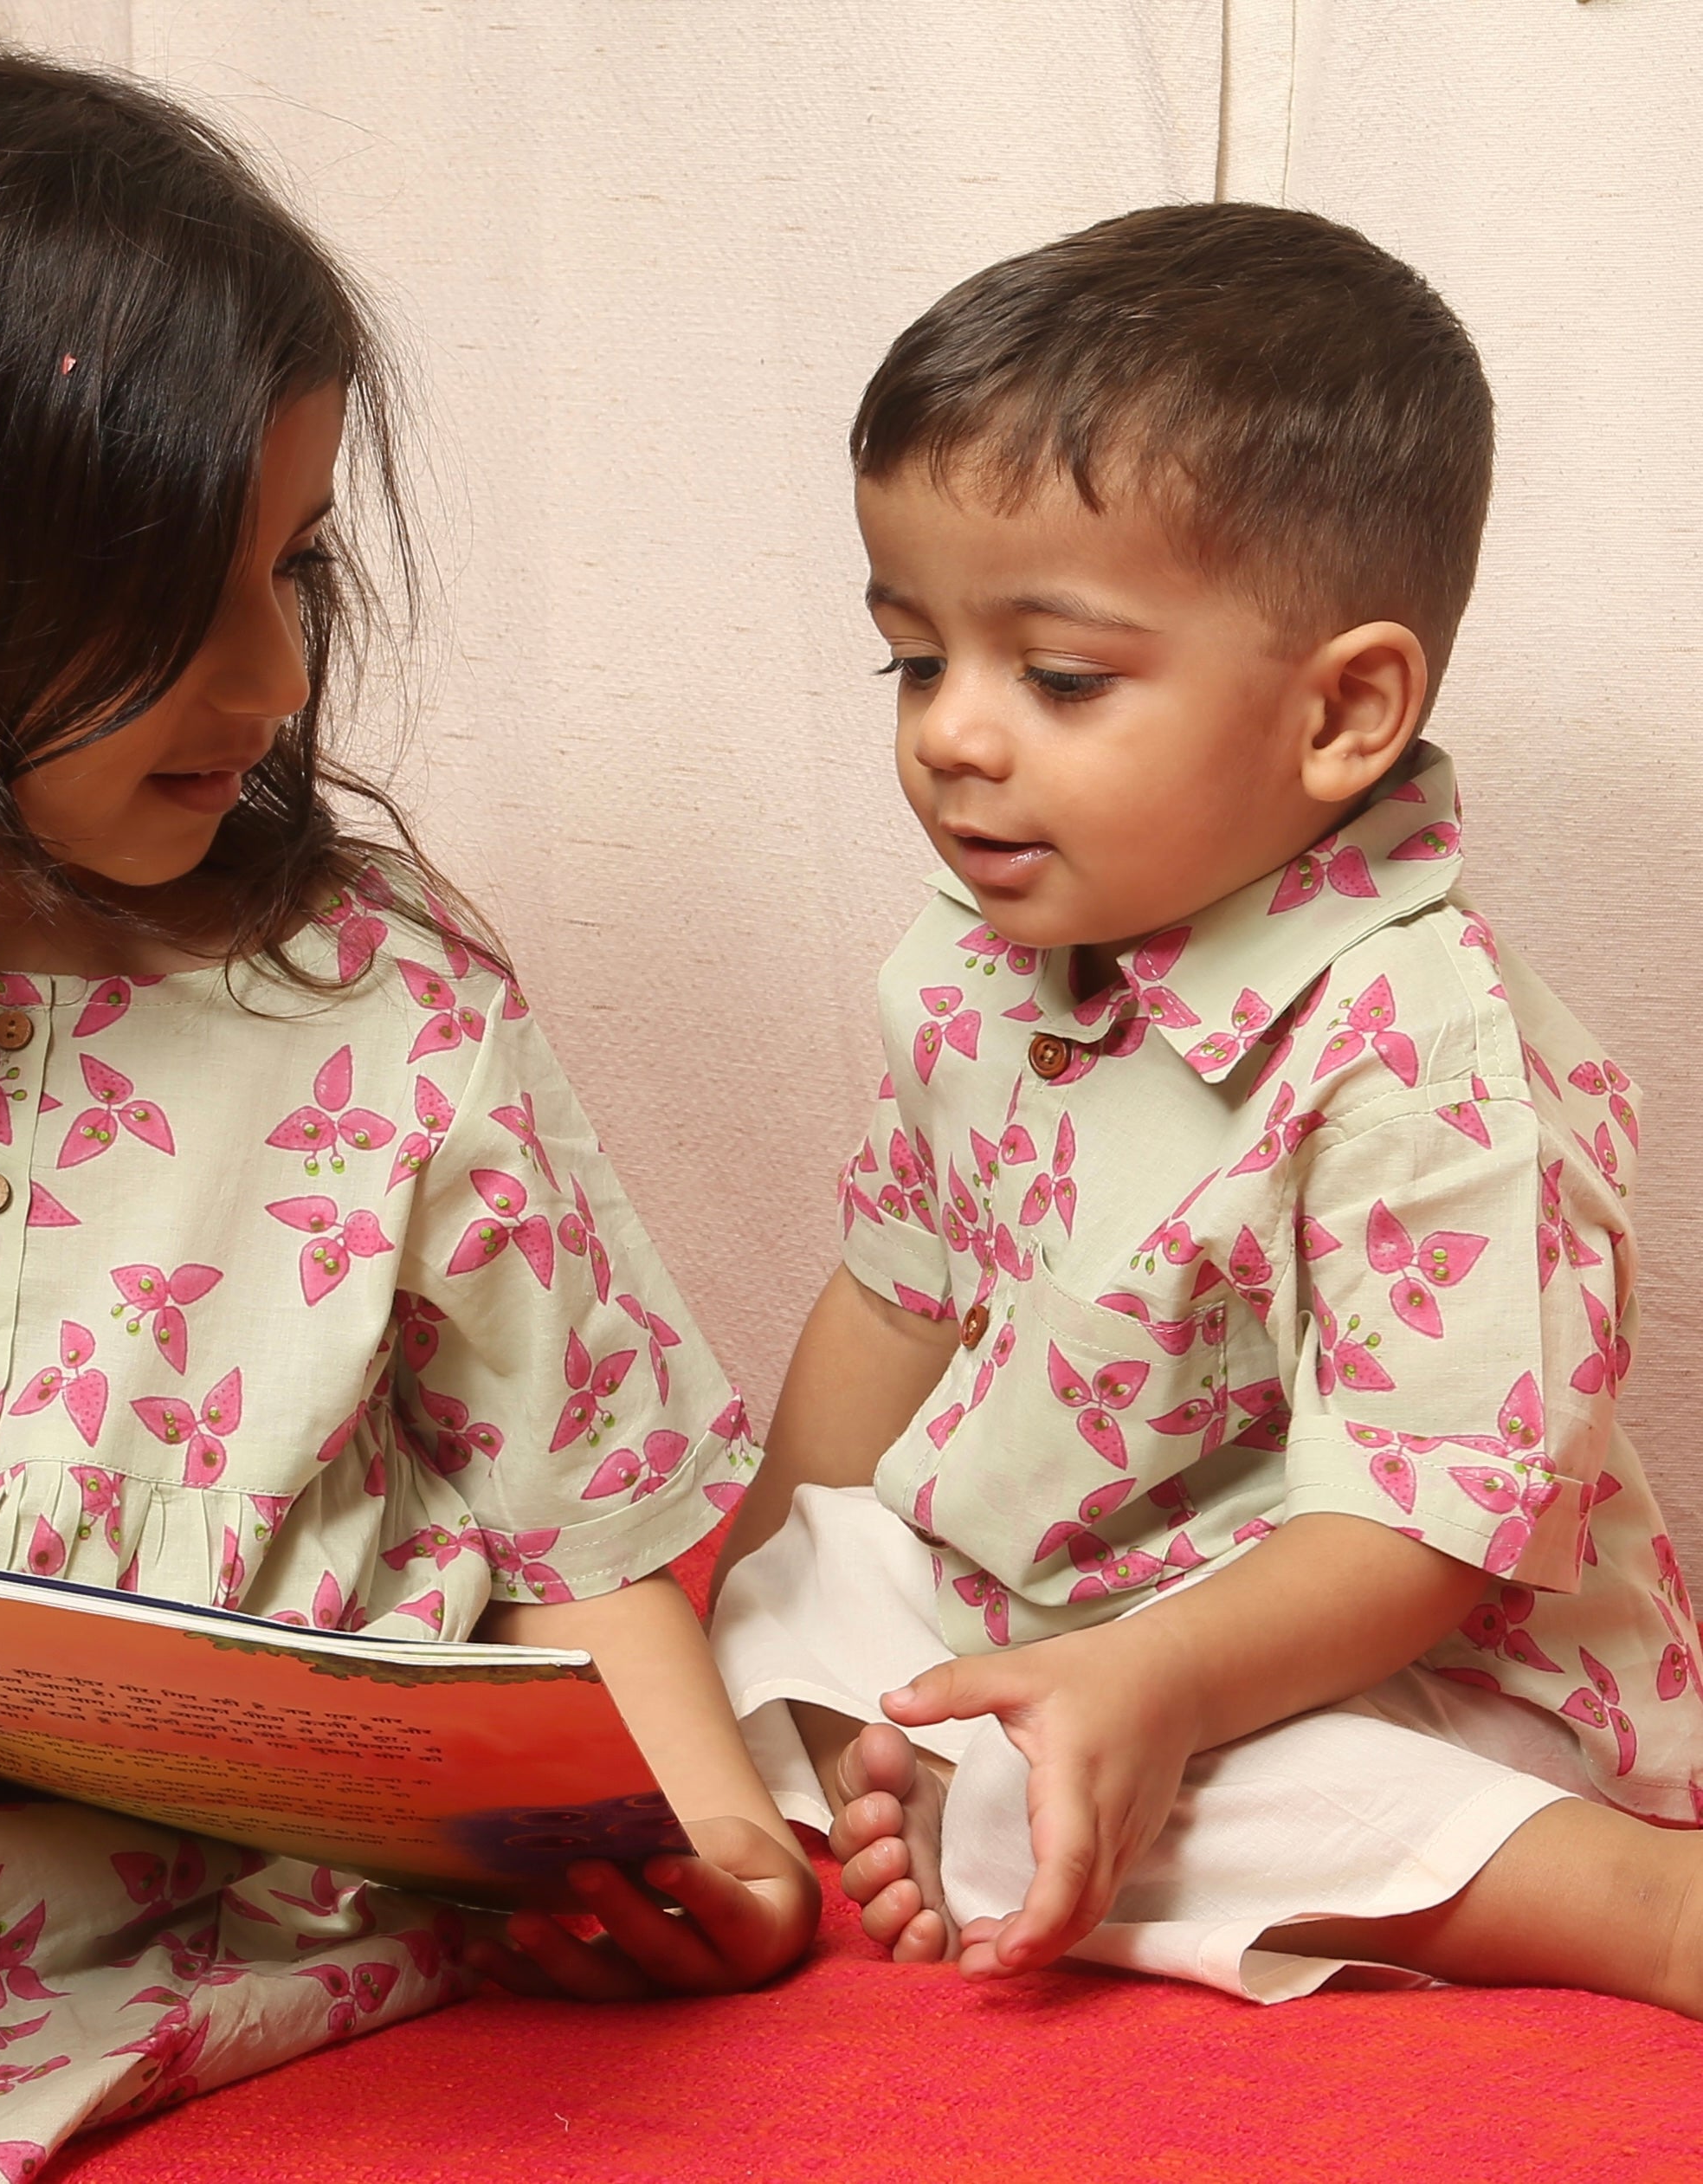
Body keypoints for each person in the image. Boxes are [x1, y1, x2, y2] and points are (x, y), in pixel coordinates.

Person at [0, 39, 816, 2169]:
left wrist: (724, 1852)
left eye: (293, 568)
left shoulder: (385, 1000)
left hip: (218, 1894)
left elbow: (584, 1545)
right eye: (164, 606)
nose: (276, 681)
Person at [711, 201, 1703, 2011]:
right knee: (775, 1597)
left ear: (1342, 714)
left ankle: (1638, 1906)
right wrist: (745, 1615)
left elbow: (1416, 1531)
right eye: (916, 659)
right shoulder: (962, 968)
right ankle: (964, 1770)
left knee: (1154, 1786)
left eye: (1059, 677)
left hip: (1359, 1662)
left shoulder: (1428, 1052)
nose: (951, 734)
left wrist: (1150, 1684)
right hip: (1049, 1592)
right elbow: (890, 1303)